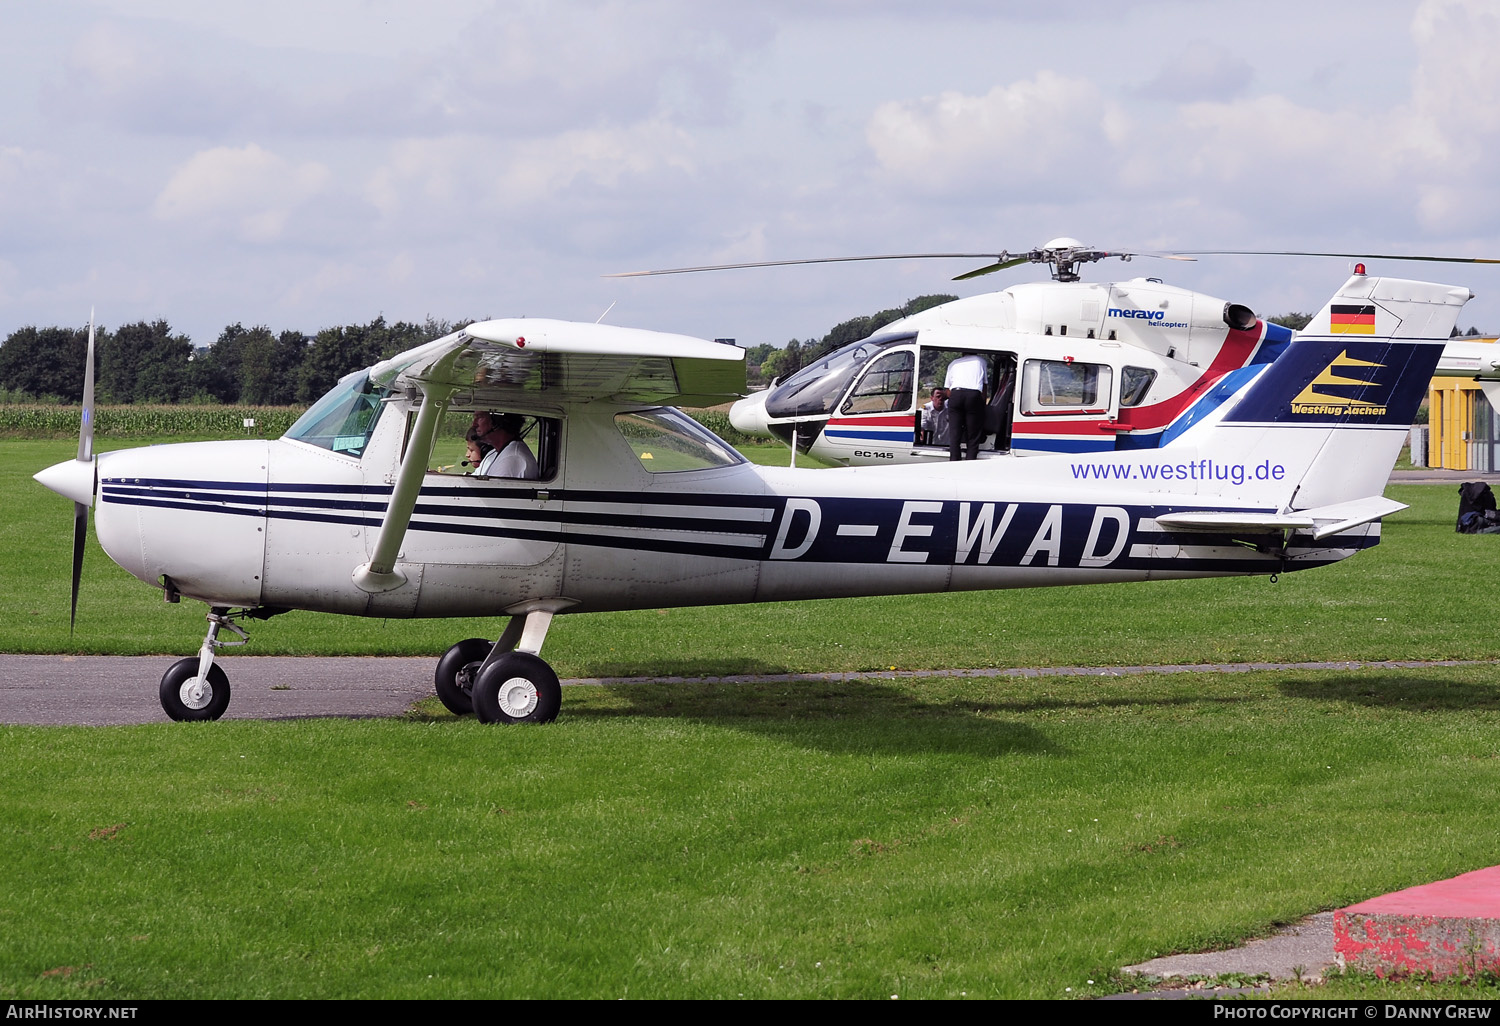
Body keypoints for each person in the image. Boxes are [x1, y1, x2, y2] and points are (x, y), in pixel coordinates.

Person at [943, 353, 988, 460]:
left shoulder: (953, 363)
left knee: (955, 434)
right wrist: (982, 405)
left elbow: (947, 391)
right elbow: (984, 385)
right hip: (973, 395)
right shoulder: (981, 361)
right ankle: (970, 462)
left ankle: (954, 461)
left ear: (962, 354)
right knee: (972, 436)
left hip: (956, 394)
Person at [472, 411, 539, 479]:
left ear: (497, 422)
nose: (474, 424)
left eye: (480, 417)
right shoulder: (493, 453)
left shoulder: (512, 458)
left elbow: (494, 489)